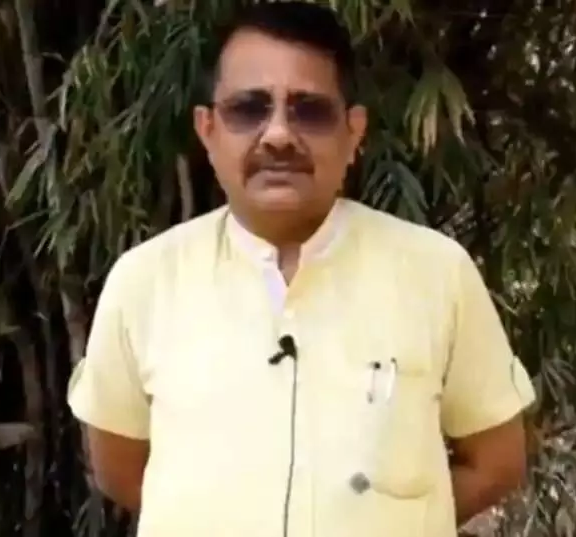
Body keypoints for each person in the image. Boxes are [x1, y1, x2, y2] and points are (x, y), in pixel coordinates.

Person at [66, 2, 536, 536]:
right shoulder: (145, 282)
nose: (277, 135)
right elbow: (120, 467)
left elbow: (496, 462)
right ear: (207, 130)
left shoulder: (436, 274)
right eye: (249, 109)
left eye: (309, 111)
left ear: (353, 132)